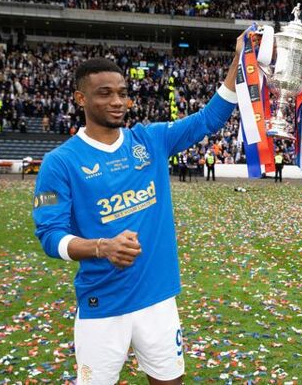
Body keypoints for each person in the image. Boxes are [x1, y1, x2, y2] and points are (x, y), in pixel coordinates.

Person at [32, 31, 243, 385]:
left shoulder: (150, 140)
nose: (118, 101)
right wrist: (102, 247)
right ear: (80, 98)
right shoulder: (60, 162)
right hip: (103, 304)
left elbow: (209, 118)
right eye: (105, 93)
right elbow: (50, 236)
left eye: (122, 93)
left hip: (158, 300)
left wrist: (240, 59)